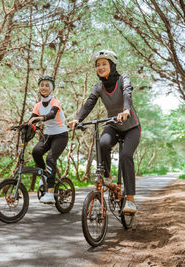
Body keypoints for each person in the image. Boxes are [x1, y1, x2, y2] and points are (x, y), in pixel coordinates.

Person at [68, 50, 141, 214]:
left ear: (112, 65)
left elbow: (127, 94)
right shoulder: (99, 87)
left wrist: (126, 110)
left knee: (125, 156)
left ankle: (130, 200)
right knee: (103, 143)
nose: (100, 67)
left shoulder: (124, 79)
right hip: (113, 125)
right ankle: (107, 178)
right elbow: (89, 103)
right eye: (98, 65)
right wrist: (78, 119)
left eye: (104, 64)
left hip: (131, 127)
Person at [28, 75, 68, 204]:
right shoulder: (37, 105)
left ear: (51, 88)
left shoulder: (55, 102)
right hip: (48, 135)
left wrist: (40, 119)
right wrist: (21, 125)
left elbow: (51, 115)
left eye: (47, 85)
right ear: (39, 88)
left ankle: (50, 193)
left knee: (50, 158)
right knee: (36, 152)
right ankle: (45, 174)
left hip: (61, 135)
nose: (44, 87)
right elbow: (31, 119)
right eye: (42, 85)